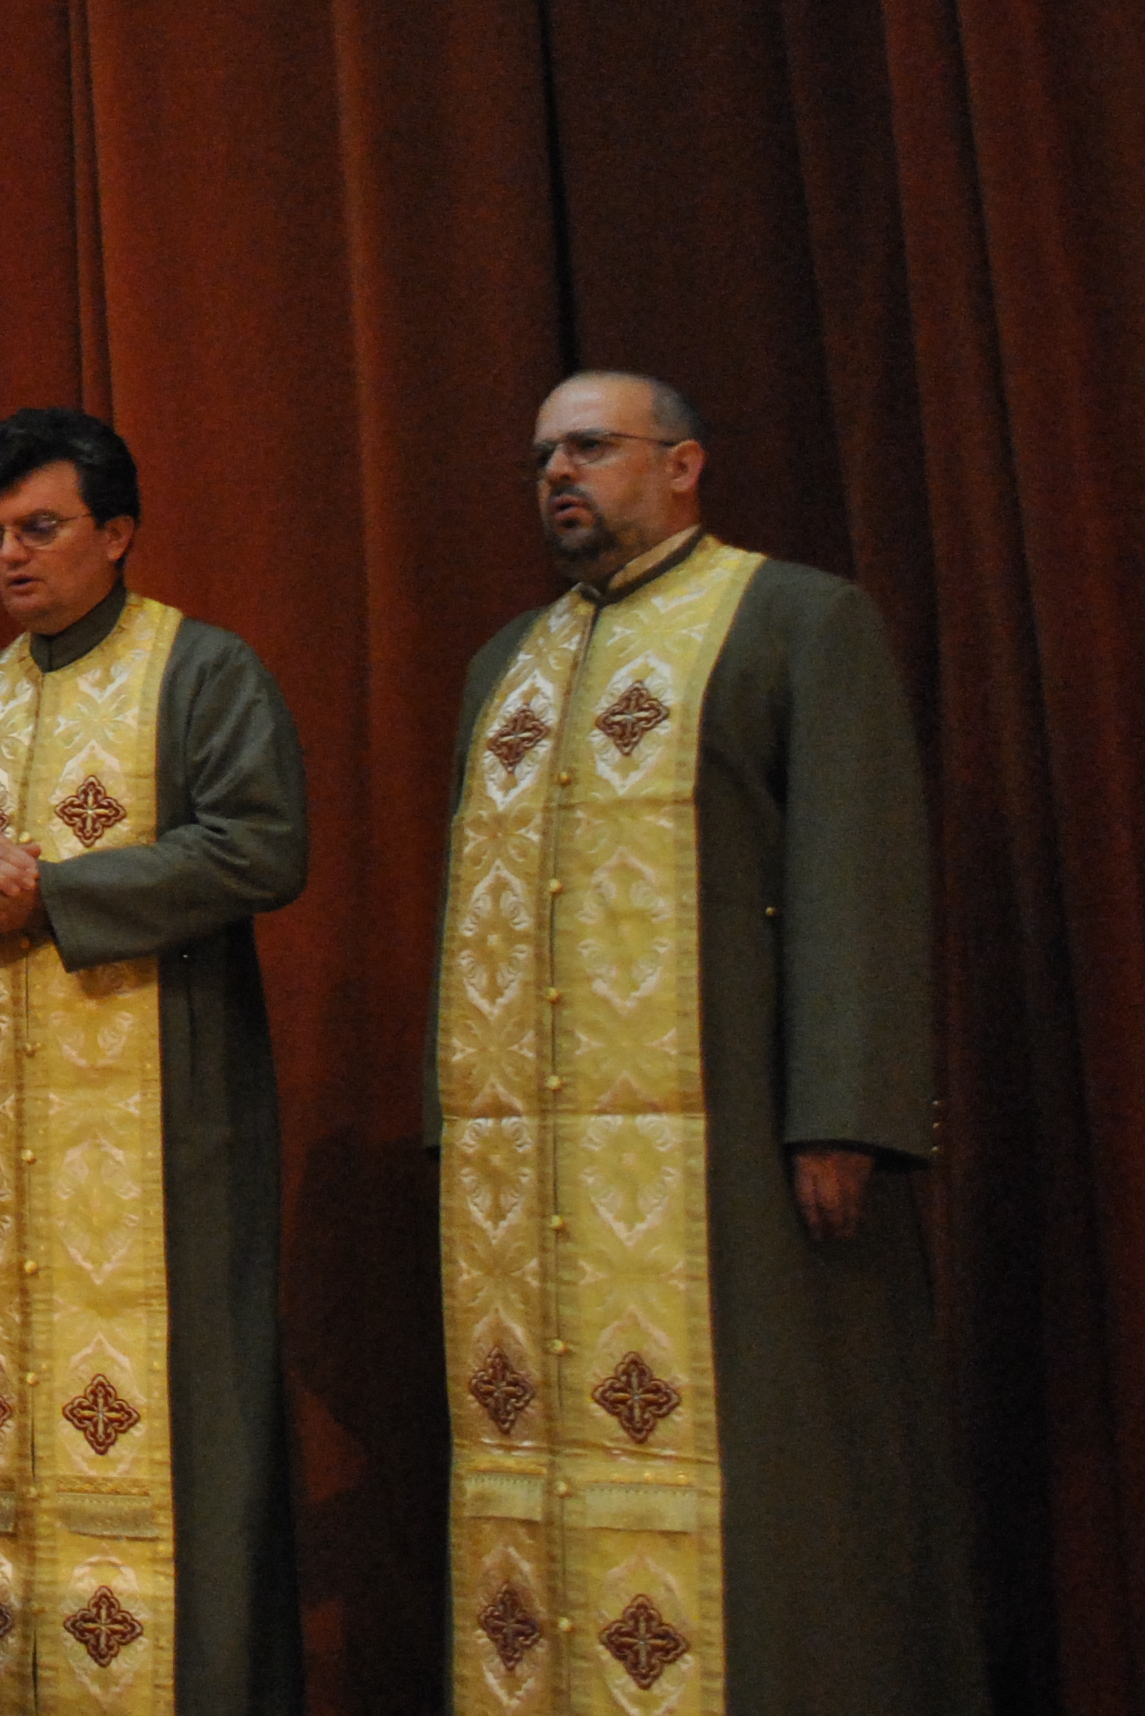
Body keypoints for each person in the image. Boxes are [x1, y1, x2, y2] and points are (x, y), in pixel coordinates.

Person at [429, 372, 978, 1714]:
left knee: (775, 1467)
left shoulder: (793, 618)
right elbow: (468, 911)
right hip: (527, 1184)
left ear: (685, 466)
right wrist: (460, 1128)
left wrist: (841, 1108)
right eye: (544, 454)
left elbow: (856, 865)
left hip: (731, 1142)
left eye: (593, 448)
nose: (561, 473)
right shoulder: (509, 663)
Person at [0, 406, 307, 1716]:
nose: (12, 556)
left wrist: (55, 892)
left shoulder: (203, 673)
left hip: (164, 1142)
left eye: (41, 528)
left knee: (175, 1431)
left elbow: (260, 845)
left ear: (117, 534)